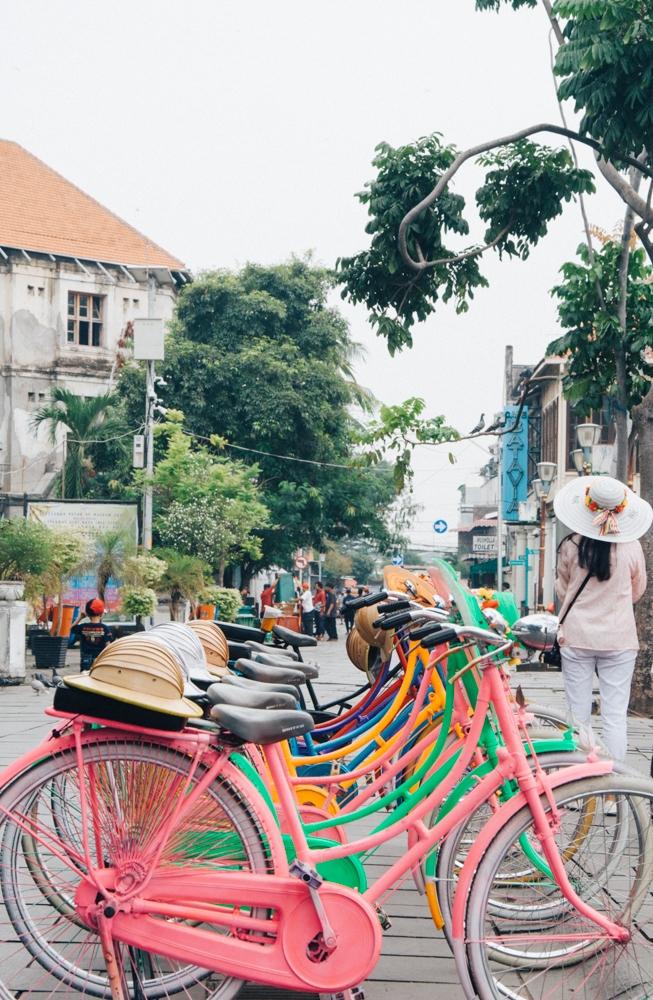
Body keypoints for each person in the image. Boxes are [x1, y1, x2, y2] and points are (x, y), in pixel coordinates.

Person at [553, 475, 652, 762]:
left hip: (577, 636)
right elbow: (637, 590)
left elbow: (563, 588)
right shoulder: (631, 546)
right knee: (615, 716)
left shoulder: (570, 545)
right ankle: (612, 792)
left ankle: (577, 782)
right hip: (619, 638)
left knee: (577, 716)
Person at [69, 598, 114, 672]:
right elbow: (108, 646)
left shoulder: (83, 627)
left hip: (85, 659)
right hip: (99, 659)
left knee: (84, 677)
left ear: (87, 614)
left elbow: (71, 628)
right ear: (102, 613)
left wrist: (80, 618)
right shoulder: (105, 628)